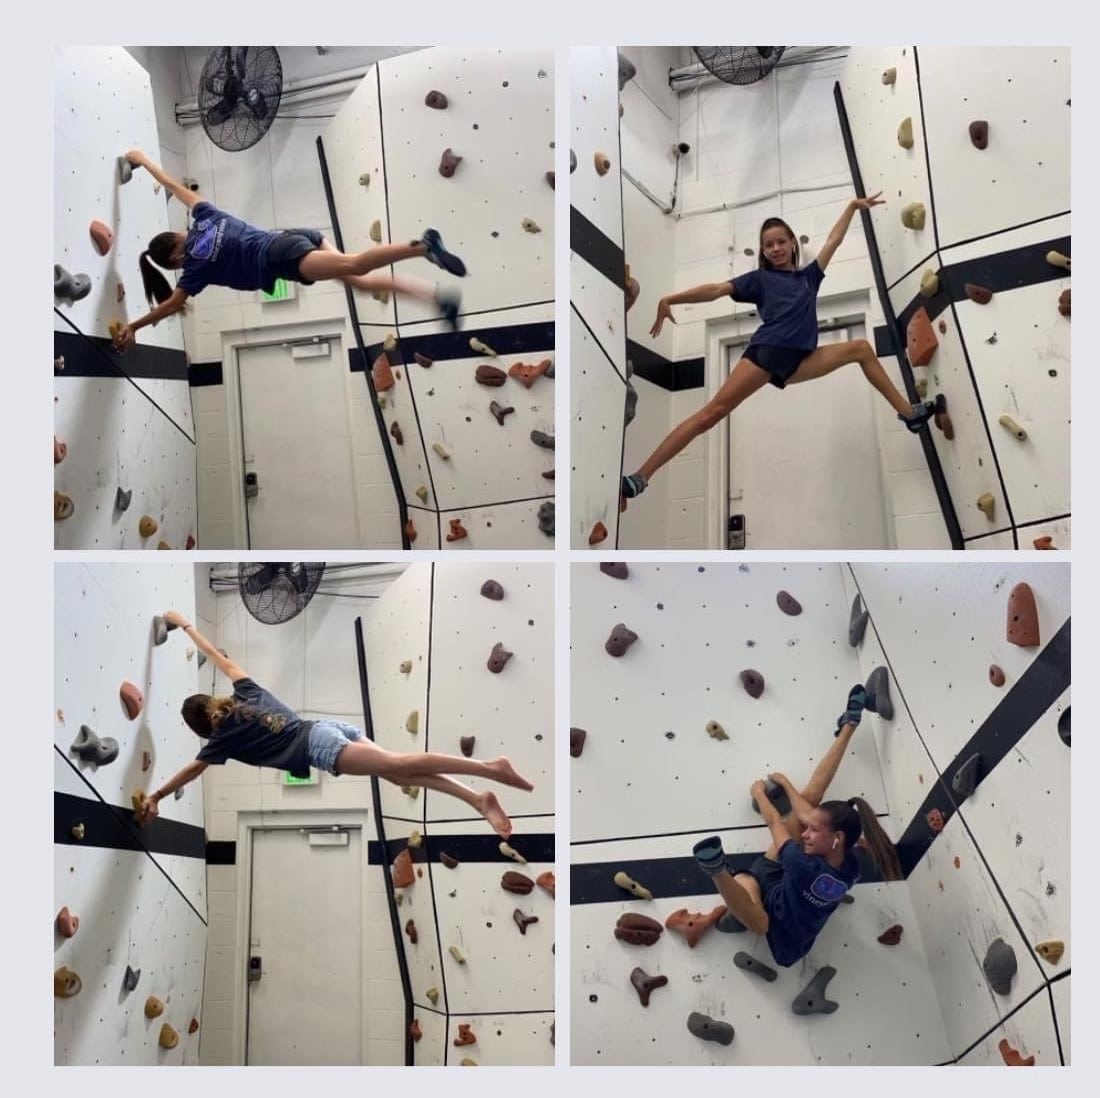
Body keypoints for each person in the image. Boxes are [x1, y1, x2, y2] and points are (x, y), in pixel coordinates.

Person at [620, 196, 937, 505]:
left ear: (792, 244)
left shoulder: (809, 278)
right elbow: (716, 290)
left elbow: (833, 242)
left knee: (862, 349)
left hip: (800, 360)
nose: (775, 249)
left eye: (780, 242)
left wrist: (853, 207)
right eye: (768, 245)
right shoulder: (760, 279)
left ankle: (909, 415)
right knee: (710, 416)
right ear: (763, 250)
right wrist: (670, 300)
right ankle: (642, 476)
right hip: (766, 355)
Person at [137, 610, 532, 838]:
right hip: (327, 728)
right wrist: (185, 624)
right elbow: (217, 657)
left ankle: (488, 770)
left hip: (320, 748)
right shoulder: (245, 692)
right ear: (211, 703)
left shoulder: (219, 741)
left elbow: (192, 770)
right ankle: (478, 800)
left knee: (398, 765)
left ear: (200, 728)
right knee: (399, 774)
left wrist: (156, 795)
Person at [113, 149, 465, 352]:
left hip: (281, 257)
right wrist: (144, 161)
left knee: (356, 265)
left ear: (174, 260)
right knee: (360, 282)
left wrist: (135, 326)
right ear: (177, 236)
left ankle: (421, 248)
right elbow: (175, 186)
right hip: (291, 238)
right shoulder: (203, 216)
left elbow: (174, 304)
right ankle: (435, 298)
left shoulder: (195, 270)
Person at [692, 683, 901, 967]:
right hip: (785, 883)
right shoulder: (850, 866)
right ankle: (850, 724)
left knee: (759, 918)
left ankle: (716, 871)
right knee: (812, 800)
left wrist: (759, 792)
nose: (806, 833)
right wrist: (792, 791)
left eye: (813, 831)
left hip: (780, 934)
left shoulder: (804, 863)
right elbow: (813, 818)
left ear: (838, 838)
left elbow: (773, 821)